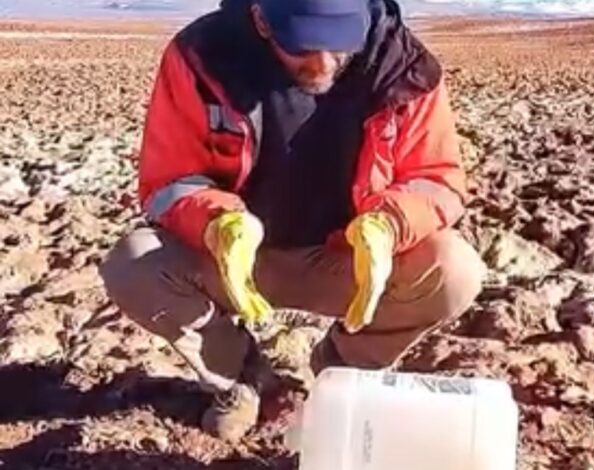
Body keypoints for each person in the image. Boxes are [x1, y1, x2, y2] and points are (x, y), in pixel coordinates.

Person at [99, 0, 486, 442]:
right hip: (237, 263)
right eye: (302, 46)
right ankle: (241, 377)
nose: (323, 63)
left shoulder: (404, 67)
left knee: (455, 270)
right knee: (134, 264)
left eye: (340, 43)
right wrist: (219, 225)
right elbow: (169, 179)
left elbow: (436, 177)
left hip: (350, 264)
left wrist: (387, 227)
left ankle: (341, 373)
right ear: (261, 18)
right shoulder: (201, 56)